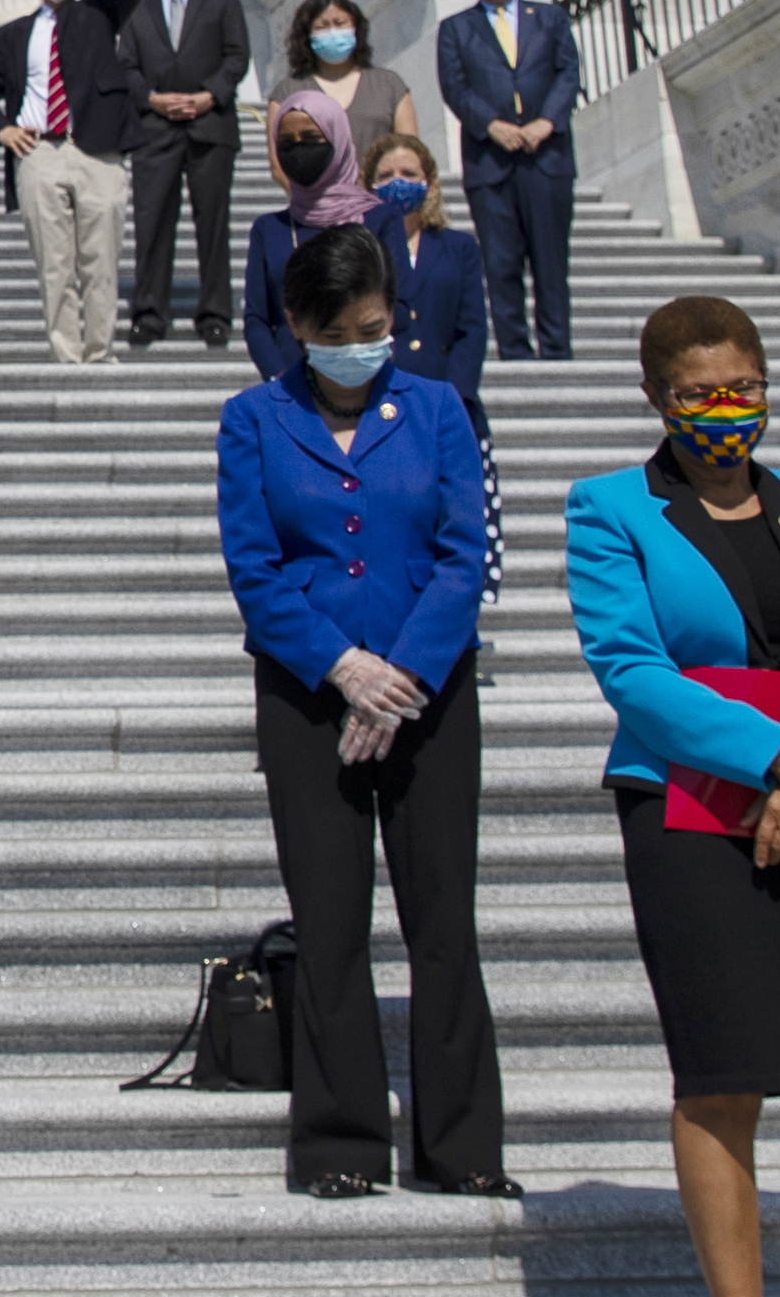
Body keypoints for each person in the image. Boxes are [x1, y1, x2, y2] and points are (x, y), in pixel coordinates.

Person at [572, 292, 780, 1297]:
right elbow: (634, 670)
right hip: (687, 813)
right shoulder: (611, 508)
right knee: (723, 1076)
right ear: (656, 397)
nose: (725, 409)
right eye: (699, 395)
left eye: (744, 389)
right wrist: (775, 760)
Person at [217, 223, 509, 1199]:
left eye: (377, 326)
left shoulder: (436, 409)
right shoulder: (253, 419)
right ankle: (339, 1142)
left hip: (428, 694)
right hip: (310, 698)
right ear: (300, 325)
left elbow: (465, 553)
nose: (362, 343)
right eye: (342, 329)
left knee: (443, 923)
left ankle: (460, 1145)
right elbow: (256, 569)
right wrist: (344, 669)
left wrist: (405, 677)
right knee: (331, 922)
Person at [0, 0, 146, 365]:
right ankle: (67, 353)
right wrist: (1, 129)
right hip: (38, 152)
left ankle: (100, 350)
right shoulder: (11, 36)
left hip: (96, 148)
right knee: (54, 262)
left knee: (101, 257)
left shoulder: (98, 15)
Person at [434, 0, 583, 362]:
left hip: (546, 157)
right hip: (490, 161)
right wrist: (491, 125)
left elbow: (567, 73)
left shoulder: (550, 18)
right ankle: (515, 350)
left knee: (550, 262)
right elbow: (455, 87)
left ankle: (557, 349)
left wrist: (546, 123)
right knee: (501, 263)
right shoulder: (456, 29)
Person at [124, 0, 250, 349]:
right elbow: (126, 66)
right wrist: (153, 99)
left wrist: (206, 97)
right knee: (152, 222)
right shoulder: (138, 9)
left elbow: (236, 57)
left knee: (212, 223)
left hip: (209, 126)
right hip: (155, 130)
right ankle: (148, 314)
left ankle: (214, 312)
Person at [242, 88, 383, 389]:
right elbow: (257, 318)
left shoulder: (379, 219)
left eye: (311, 139)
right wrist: (278, 377)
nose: (299, 151)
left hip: (369, 380)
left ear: (337, 138)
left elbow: (398, 303)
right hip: (292, 385)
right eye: (287, 144)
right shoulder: (269, 229)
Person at [365, 136, 494, 414]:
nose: (397, 182)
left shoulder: (459, 248)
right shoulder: (361, 248)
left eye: (409, 174)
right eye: (386, 176)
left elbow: (472, 328)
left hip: (444, 396)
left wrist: (456, 398)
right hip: (378, 399)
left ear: (428, 183)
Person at [282, 0, 416, 171]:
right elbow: (280, 163)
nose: (333, 33)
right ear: (307, 35)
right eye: (322, 27)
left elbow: (410, 149)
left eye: (340, 23)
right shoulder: (289, 92)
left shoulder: (389, 84)